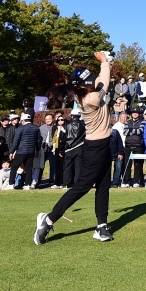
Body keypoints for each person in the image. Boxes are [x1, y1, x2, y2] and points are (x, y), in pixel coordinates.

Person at [34, 51, 116, 245]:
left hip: (104, 144)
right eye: (89, 82)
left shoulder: (85, 92)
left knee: (104, 186)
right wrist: (104, 62)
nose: (92, 83)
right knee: (82, 187)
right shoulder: (90, 99)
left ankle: (101, 225)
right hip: (94, 147)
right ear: (80, 87)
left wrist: (105, 62)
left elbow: (100, 81)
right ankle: (48, 219)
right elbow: (104, 82)